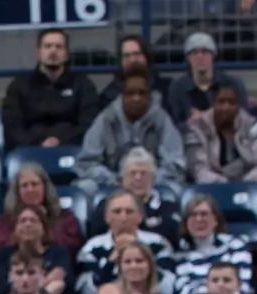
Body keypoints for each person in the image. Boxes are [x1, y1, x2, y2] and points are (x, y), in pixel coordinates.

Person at [77, 70, 185, 199]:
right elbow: (86, 162)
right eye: (130, 93)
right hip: (113, 183)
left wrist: (148, 178)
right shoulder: (106, 119)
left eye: (142, 93)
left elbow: (175, 163)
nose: (136, 98)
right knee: (84, 187)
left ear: (150, 96)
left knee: (175, 189)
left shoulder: (161, 119)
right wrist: (114, 179)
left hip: (153, 183)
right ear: (122, 96)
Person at [0, 28, 104, 149]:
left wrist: (61, 142)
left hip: (72, 149)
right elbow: (12, 125)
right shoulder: (19, 85)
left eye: (59, 47)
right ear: (39, 52)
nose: (53, 51)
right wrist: (37, 143)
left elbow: (89, 123)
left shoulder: (83, 85)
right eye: (47, 46)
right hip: (30, 151)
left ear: (66, 54)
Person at [184, 84, 257, 191]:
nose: (226, 107)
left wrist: (244, 184)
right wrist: (225, 186)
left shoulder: (252, 125)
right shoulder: (198, 127)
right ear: (214, 103)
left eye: (231, 102)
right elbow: (199, 169)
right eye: (221, 102)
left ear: (238, 106)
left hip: (248, 183)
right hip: (212, 185)